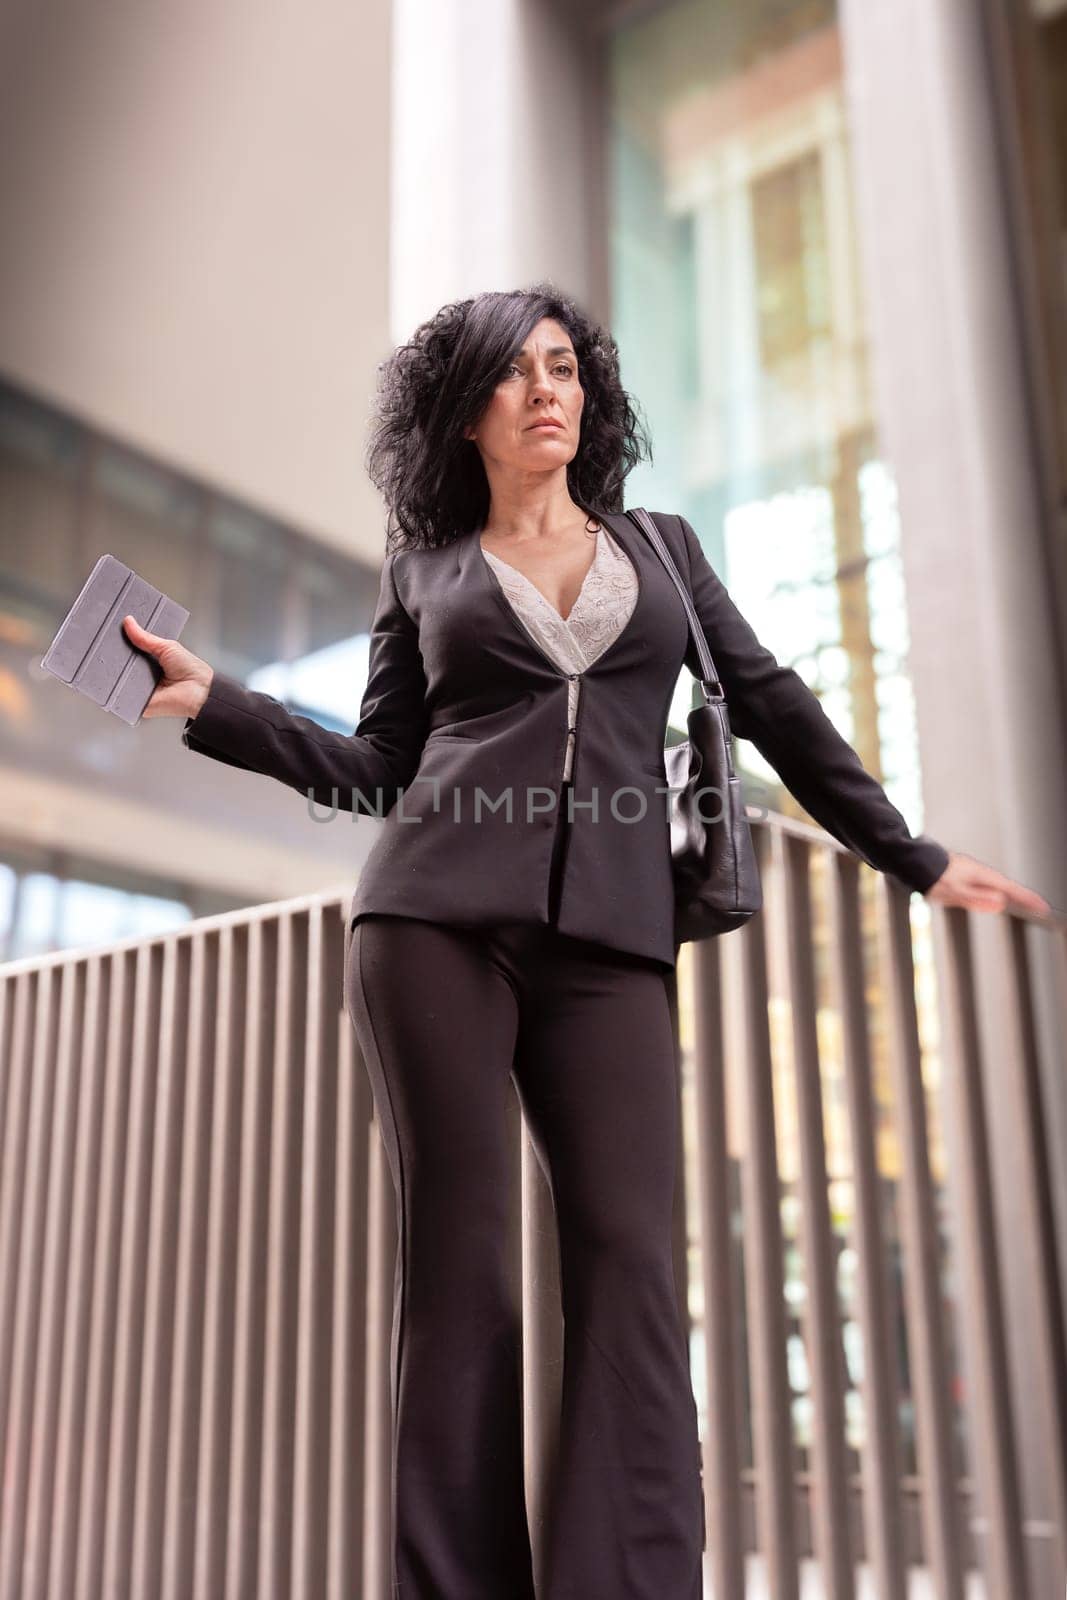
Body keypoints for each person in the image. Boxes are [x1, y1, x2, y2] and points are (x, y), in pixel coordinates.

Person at [124, 284, 1049, 1599]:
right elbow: (381, 765)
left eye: (562, 367)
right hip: (431, 924)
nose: (545, 388)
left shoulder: (662, 551)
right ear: (466, 420)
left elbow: (778, 706)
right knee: (464, 1273)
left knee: (629, 1261)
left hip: (613, 947)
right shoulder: (427, 574)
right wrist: (216, 703)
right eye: (513, 374)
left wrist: (909, 854)